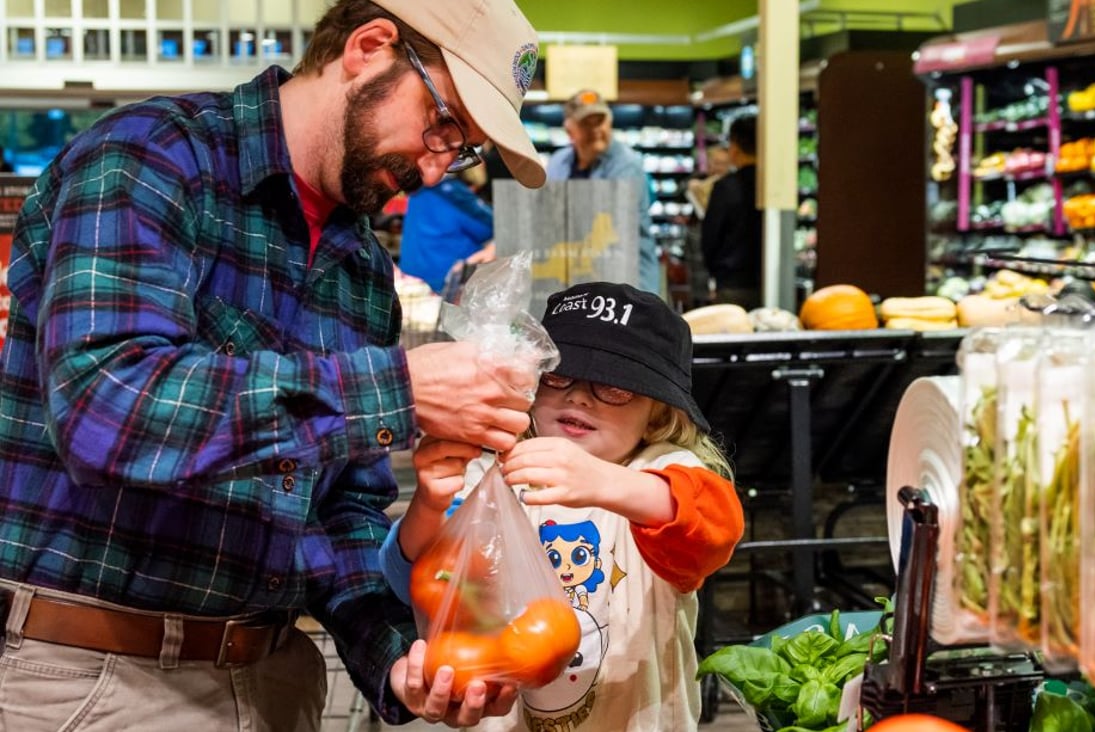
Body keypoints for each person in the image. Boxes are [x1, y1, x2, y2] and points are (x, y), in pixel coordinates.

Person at [0, 0, 550, 729]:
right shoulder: (152, 157)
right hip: (97, 673)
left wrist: (399, 658)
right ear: (368, 47)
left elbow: (337, 515)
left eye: (462, 150)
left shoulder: (360, 271)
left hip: (277, 679)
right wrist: (400, 389)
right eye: (442, 124)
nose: (435, 167)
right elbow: (108, 406)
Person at [381, 281, 746, 730]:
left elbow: (714, 526)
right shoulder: (495, 469)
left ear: (658, 411)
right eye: (558, 375)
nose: (578, 396)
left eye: (615, 386)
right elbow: (414, 580)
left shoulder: (664, 470)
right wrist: (429, 505)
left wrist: (608, 482)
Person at [545, 90, 661, 296]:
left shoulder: (627, 165)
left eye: (600, 121)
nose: (596, 129)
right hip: (579, 281)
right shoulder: (558, 162)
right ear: (569, 130)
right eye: (586, 123)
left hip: (629, 285)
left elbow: (603, 225)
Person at [700, 114, 762, 310]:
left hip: (732, 284)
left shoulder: (725, 187)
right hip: (770, 282)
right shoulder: (772, 186)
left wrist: (714, 273)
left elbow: (710, 238)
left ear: (734, 148)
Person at [399, 170, 496, 293]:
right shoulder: (452, 192)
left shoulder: (419, 191)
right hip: (445, 284)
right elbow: (490, 227)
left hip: (411, 280)